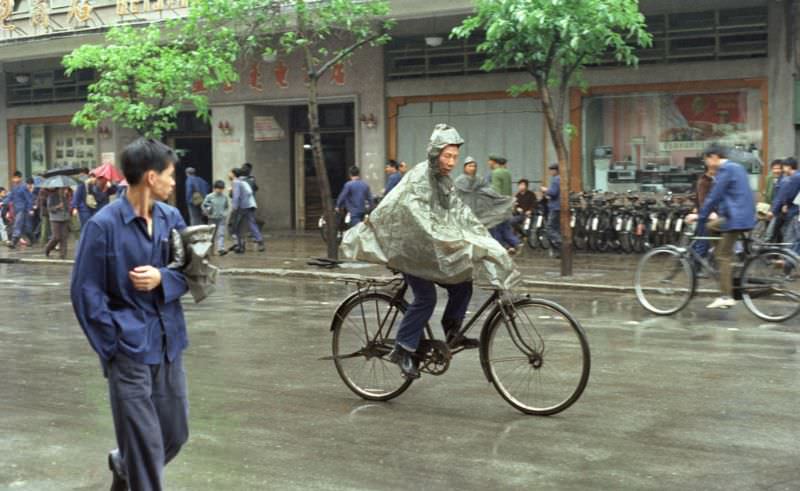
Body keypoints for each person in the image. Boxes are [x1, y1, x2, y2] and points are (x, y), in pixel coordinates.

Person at [341, 124, 519, 379]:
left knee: (463, 282)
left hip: (424, 248)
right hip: (406, 248)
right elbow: (419, 217)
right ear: (435, 154)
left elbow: (459, 213)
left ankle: (451, 330)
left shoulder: (443, 181)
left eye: (455, 157)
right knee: (426, 298)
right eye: (447, 156)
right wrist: (449, 239)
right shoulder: (420, 177)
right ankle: (402, 349)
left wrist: (483, 238)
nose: (451, 162)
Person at [70, 138, 191, 491]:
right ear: (151, 177)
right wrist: (115, 345)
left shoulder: (173, 218)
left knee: (174, 435)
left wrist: (162, 278)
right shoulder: (103, 226)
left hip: (169, 345)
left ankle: (124, 464)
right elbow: (85, 293)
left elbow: (195, 273)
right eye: (170, 175)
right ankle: (134, 463)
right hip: (129, 352)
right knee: (146, 446)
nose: (174, 182)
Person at [692, 143, 756, 310]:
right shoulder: (738, 168)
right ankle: (724, 262)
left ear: (714, 157)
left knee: (723, 255)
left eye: (706, 159)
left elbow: (714, 196)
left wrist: (701, 215)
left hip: (735, 219)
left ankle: (726, 296)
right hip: (743, 216)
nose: (706, 163)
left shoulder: (725, 170)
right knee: (712, 227)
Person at [454, 156, 513, 228]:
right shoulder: (459, 180)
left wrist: (502, 199)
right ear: (465, 167)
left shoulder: (479, 179)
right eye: (470, 166)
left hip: (478, 211)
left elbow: (489, 190)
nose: (473, 168)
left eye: (474, 166)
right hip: (464, 212)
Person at [487, 155, 520, 253]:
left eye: (489, 161)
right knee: (505, 227)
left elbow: (495, 190)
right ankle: (515, 244)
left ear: (494, 162)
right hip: (507, 204)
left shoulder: (495, 173)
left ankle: (501, 248)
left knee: (494, 228)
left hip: (498, 205)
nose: (488, 163)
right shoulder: (507, 173)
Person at [768, 157, 800, 254]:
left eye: (784, 167)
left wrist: (785, 203)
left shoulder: (794, 178)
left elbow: (788, 194)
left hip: (794, 211)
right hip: (795, 210)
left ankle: (788, 261)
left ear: (789, 167)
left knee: (791, 236)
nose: (782, 170)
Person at [230, 167, 265, 253]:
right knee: (251, 223)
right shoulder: (244, 181)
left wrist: (235, 206)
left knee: (237, 226)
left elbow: (236, 196)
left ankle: (240, 245)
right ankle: (260, 241)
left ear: (234, 174)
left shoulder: (236, 182)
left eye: (230, 172)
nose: (229, 174)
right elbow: (249, 192)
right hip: (250, 205)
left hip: (242, 206)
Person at [202, 180, 230, 254]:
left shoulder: (224, 197)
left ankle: (220, 248)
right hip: (212, 218)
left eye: (221, 188)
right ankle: (210, 250)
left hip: (221, 218)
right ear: (214, 188)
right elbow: (204, 205)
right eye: (218, 188)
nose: (220, 190)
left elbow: (227, 206)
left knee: (221, 234)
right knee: (211, 235)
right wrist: (207, 212)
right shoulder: (209, 196)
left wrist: (225, 213)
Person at [8, 174, 35, 249]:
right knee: (26, 227)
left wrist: (30, 209)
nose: (15, 179)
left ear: (20, 178)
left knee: (17, 225)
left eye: (16, 178)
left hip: (23, 209)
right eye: (14, 178)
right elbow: (10, 197)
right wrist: (4, 203)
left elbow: (29, 199)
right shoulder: (14, 188)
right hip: (17, 209)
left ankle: (13, 242)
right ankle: (33, 239)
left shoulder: (23, 188)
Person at [541, 163, 562, 258]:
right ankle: (558, 250)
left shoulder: (556, 179)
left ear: (555, 170)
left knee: (550, 227)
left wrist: (545, 190)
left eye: (551, 170)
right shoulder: (561, 178)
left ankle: (559, 243)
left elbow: (553, 192)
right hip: (559, 206)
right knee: (556, 228)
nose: (550, 172)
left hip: (554, 207)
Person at [44, 186, 71, 259]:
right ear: (59, 189)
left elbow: (68, 207)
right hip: (55, 218)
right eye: (63, 189)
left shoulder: (65, 197)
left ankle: (63, 255)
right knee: (56, 237)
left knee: (64, 237)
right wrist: (58, 207)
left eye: (65, 189)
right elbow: (49, 208)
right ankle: (47, 248)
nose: (64, 191)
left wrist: (67, 206)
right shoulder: (51, 196)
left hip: (65, 218)